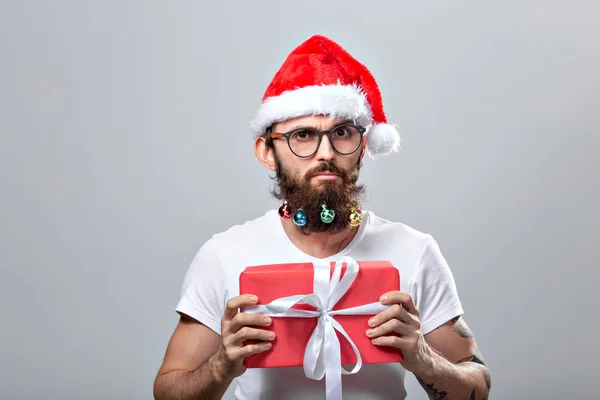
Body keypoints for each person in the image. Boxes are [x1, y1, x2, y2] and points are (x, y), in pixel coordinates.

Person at [153, 34, 491, 400]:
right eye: (303, 135)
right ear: (267, 151)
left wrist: (423, 358)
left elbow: (477, 385)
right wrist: (221, 365)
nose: (325, 152)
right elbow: (169, 390)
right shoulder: (224, 254)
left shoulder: (414, 250)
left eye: (342, 133)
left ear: (363, 147)